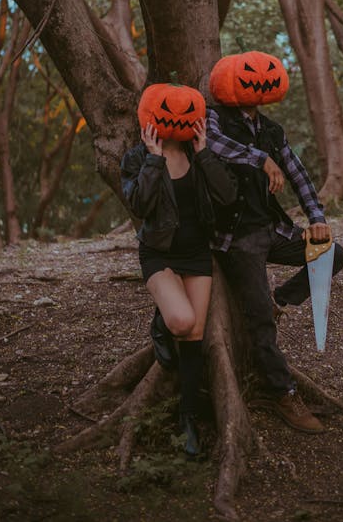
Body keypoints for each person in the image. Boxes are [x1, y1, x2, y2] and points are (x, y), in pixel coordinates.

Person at [206, 52, 343, 434]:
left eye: (265, 74)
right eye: (249, 75)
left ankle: (280, 301)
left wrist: (316, 219)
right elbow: (213, 146)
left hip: (272, 230)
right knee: (260, 326)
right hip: (236, 239)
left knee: (331, 253)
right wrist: (259, 158)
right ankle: (281, 392)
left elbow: (297, 173)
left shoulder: (272, 129)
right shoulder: (211, 119)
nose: (259, 80)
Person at [120, 84, 237, 456]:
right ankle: (162, 320)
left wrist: (204, 155)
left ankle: (187, 420)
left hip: (197, 254)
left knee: (195, 336)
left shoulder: (197, 152)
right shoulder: (137, 158)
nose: (178, 114)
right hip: (159, 255)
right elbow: (140, 204)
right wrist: (154, 159)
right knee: (182, 321)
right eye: (169, 109)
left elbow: (227, 196)